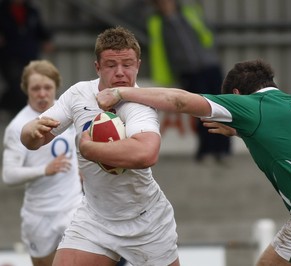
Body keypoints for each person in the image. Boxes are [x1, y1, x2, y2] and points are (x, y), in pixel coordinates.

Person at [96, 59, 291, 266]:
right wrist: (240, 129)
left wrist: (123, 92)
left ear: (237, 95)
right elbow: (288, 143)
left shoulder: (252, 105)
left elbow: (180, 100)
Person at [20, 26, 180, 266]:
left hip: (145, 220)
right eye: (111, 65)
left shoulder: (141, 105)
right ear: (97, 67)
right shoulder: (78, 94)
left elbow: (146, 154)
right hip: (95, 217)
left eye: (127, 64)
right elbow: (35, 136)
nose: (120, 73)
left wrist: (89, 149)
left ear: (138, 64)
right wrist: (30, 132)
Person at [120, 0, 231, 162]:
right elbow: (127, 18)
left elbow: (207, 32)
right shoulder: (154, 21)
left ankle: (222, 150)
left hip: (210, 65)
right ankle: (206, 150)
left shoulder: (189, 13)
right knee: (201, 111)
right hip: (189, 71)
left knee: (221, 108)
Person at [2, 60, 83, 266]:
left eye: (47, 87)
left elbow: (78, 147)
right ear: (25, 90)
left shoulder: (67, 114)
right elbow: (8, 175)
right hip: (40, 215)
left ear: (56, 87)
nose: (42, 93)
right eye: (35, 88)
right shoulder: (18, 127)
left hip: (73, 207)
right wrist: (44, 170)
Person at [0, 0, 54, 116]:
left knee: (28, 82)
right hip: (10, 55)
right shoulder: (3, 11)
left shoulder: (31, 11)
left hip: (29, 55)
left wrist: (46, 40)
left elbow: (41, 30)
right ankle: (14, 109)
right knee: (16, 83)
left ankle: (16, 109)